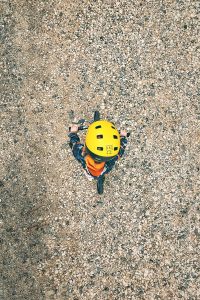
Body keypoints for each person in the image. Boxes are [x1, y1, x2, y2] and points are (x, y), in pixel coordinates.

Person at [68, 120, 128, 185]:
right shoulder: (113, 157)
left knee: (88, 173)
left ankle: (91, 177)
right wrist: (123, 137)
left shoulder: (81, 155)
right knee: (102, 174)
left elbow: (74, 144)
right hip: (104, 170)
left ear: (86, 147)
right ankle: (100, 177)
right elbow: (121, 149)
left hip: (90, 170)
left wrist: (73, 132)